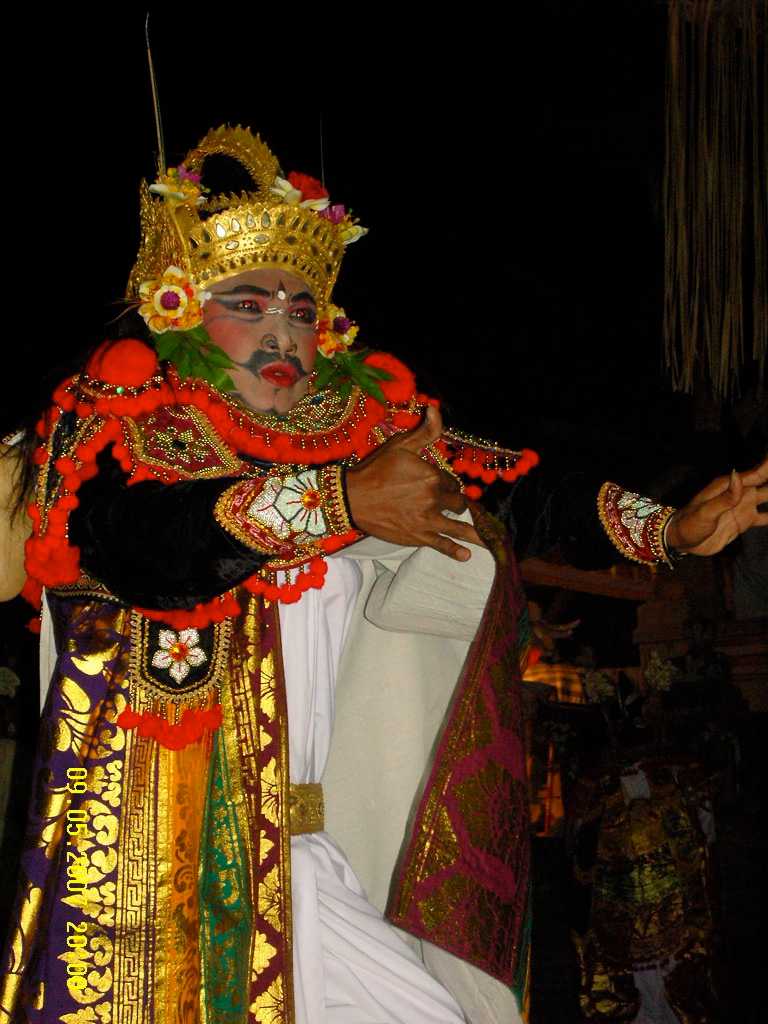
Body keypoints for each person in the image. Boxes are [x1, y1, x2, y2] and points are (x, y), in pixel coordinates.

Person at [1, 126, 766, 1024]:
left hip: (331, 854)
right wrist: (341, 505)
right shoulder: (124, 428)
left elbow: (514, 487)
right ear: (179, 309)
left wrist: (666, 528)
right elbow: (150, 550)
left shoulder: (362, 432)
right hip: (164, 869)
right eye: (250, 303)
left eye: (301, 310)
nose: (283, 330)